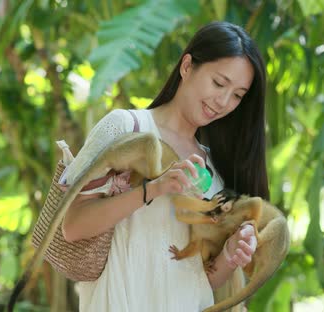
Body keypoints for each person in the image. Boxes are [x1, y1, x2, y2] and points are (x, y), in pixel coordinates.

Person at [60, 21, 269, 311]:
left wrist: (229, 256)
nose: (223, 101)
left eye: (237, 95)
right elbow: (72, 226)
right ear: (187, 66)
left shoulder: (213, 172)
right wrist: (155, 188)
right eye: (219, 83)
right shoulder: (126, 128)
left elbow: (199, 280)